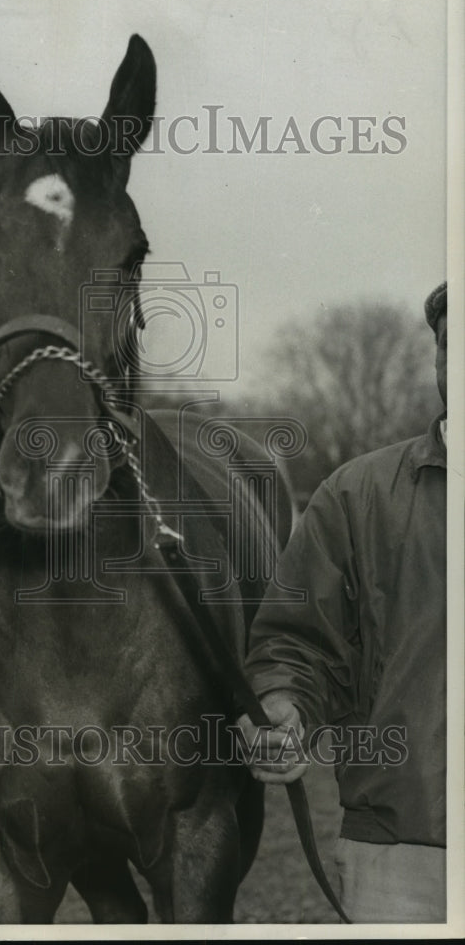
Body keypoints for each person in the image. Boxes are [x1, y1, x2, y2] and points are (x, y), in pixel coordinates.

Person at [237, 282, 448, 923]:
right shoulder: (358, 495)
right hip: (405, 853)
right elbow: (299, 644)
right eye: (453, 345)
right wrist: (285, 711)